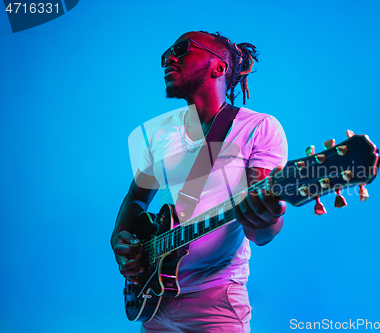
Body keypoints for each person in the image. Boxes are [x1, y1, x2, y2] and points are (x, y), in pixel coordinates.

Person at [111, 31, 288, 332]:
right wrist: (120, 238)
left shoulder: (258, 128)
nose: (169, 58)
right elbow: (136, 196)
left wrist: (267, 216)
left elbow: (261, 234)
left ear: (218, 67)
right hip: (155, 299)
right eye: (166, 53)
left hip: (216, 303)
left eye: (182, 49)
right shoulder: (162, 134)